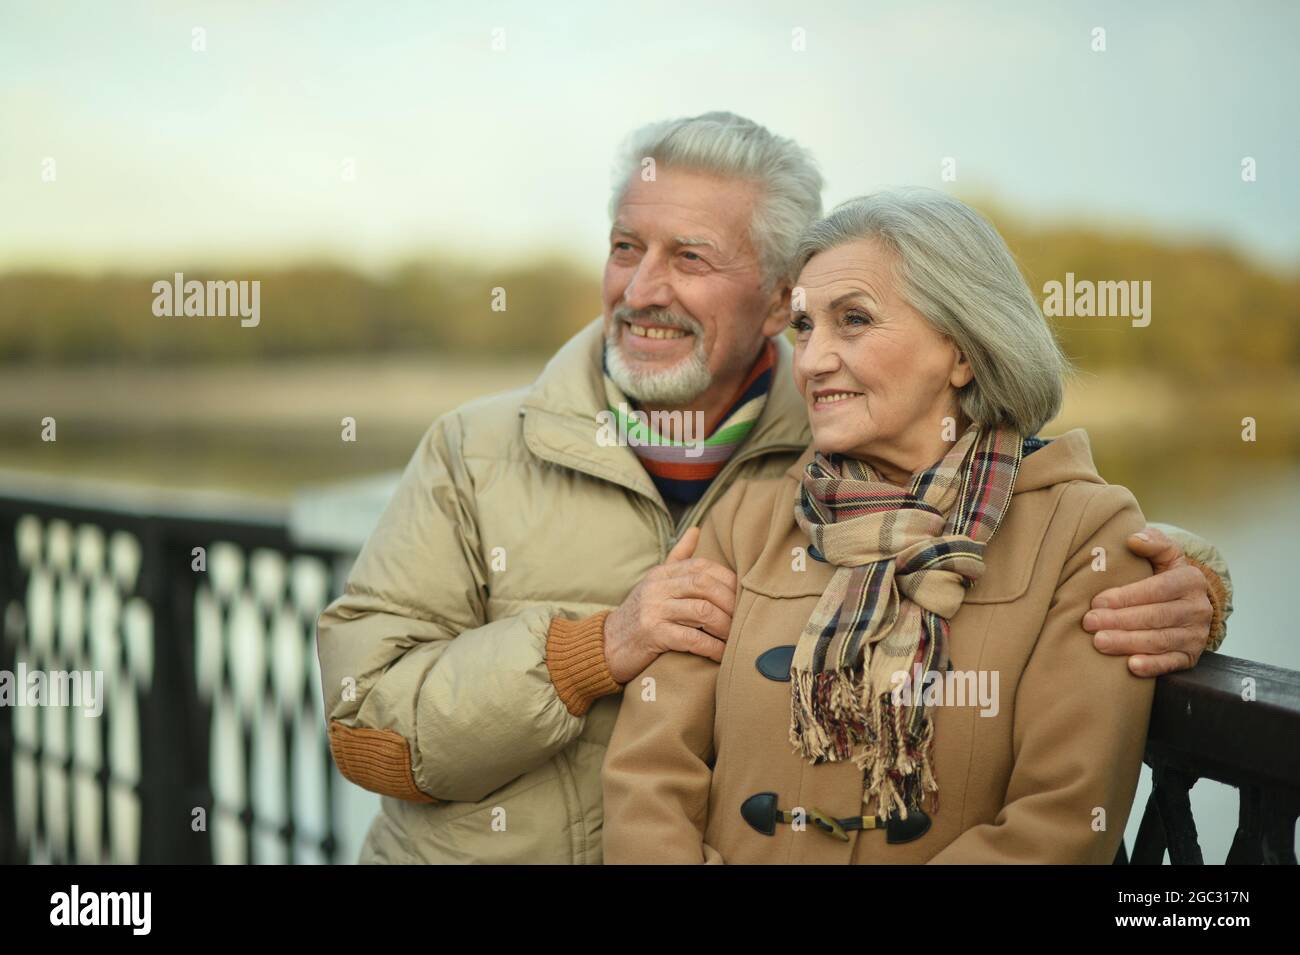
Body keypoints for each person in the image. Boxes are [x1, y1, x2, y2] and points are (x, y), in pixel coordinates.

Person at [316, 114, 1230, 864]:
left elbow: (1020, 504)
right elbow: (362, 732)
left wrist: (1195, 578)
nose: (639, 288)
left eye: (690, 257)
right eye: (625, 246)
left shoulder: (835, 436)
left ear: (774, 295)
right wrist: (599, 645)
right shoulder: (474, 451)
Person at [601, 189, 1198, 864]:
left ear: (963, 351)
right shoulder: (745, 517)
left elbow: (1057, 825)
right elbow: (648, 779)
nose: (813, 359)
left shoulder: (1083, 535)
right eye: (804, 327)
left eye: (852, 320)